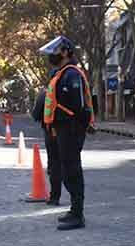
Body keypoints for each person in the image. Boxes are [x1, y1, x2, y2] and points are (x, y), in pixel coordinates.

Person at [40, 35, 95, 230]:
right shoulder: (61, 73)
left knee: (72, 171)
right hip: (63, 130)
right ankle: (74, 210)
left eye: (54, 52)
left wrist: (79, 127)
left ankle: (78, 214)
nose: (51, 56)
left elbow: (80, 106)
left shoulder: (71, 74)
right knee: (66, 170)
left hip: (71, 130)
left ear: (65, 52)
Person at [31, 70, 62, 206]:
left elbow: (35, 115)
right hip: (72, 134)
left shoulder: (45, 93)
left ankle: (55, 196)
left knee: (54, 164)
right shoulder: (71, 87)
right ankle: (76, 205)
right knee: (71, 165)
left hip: (51, 133)